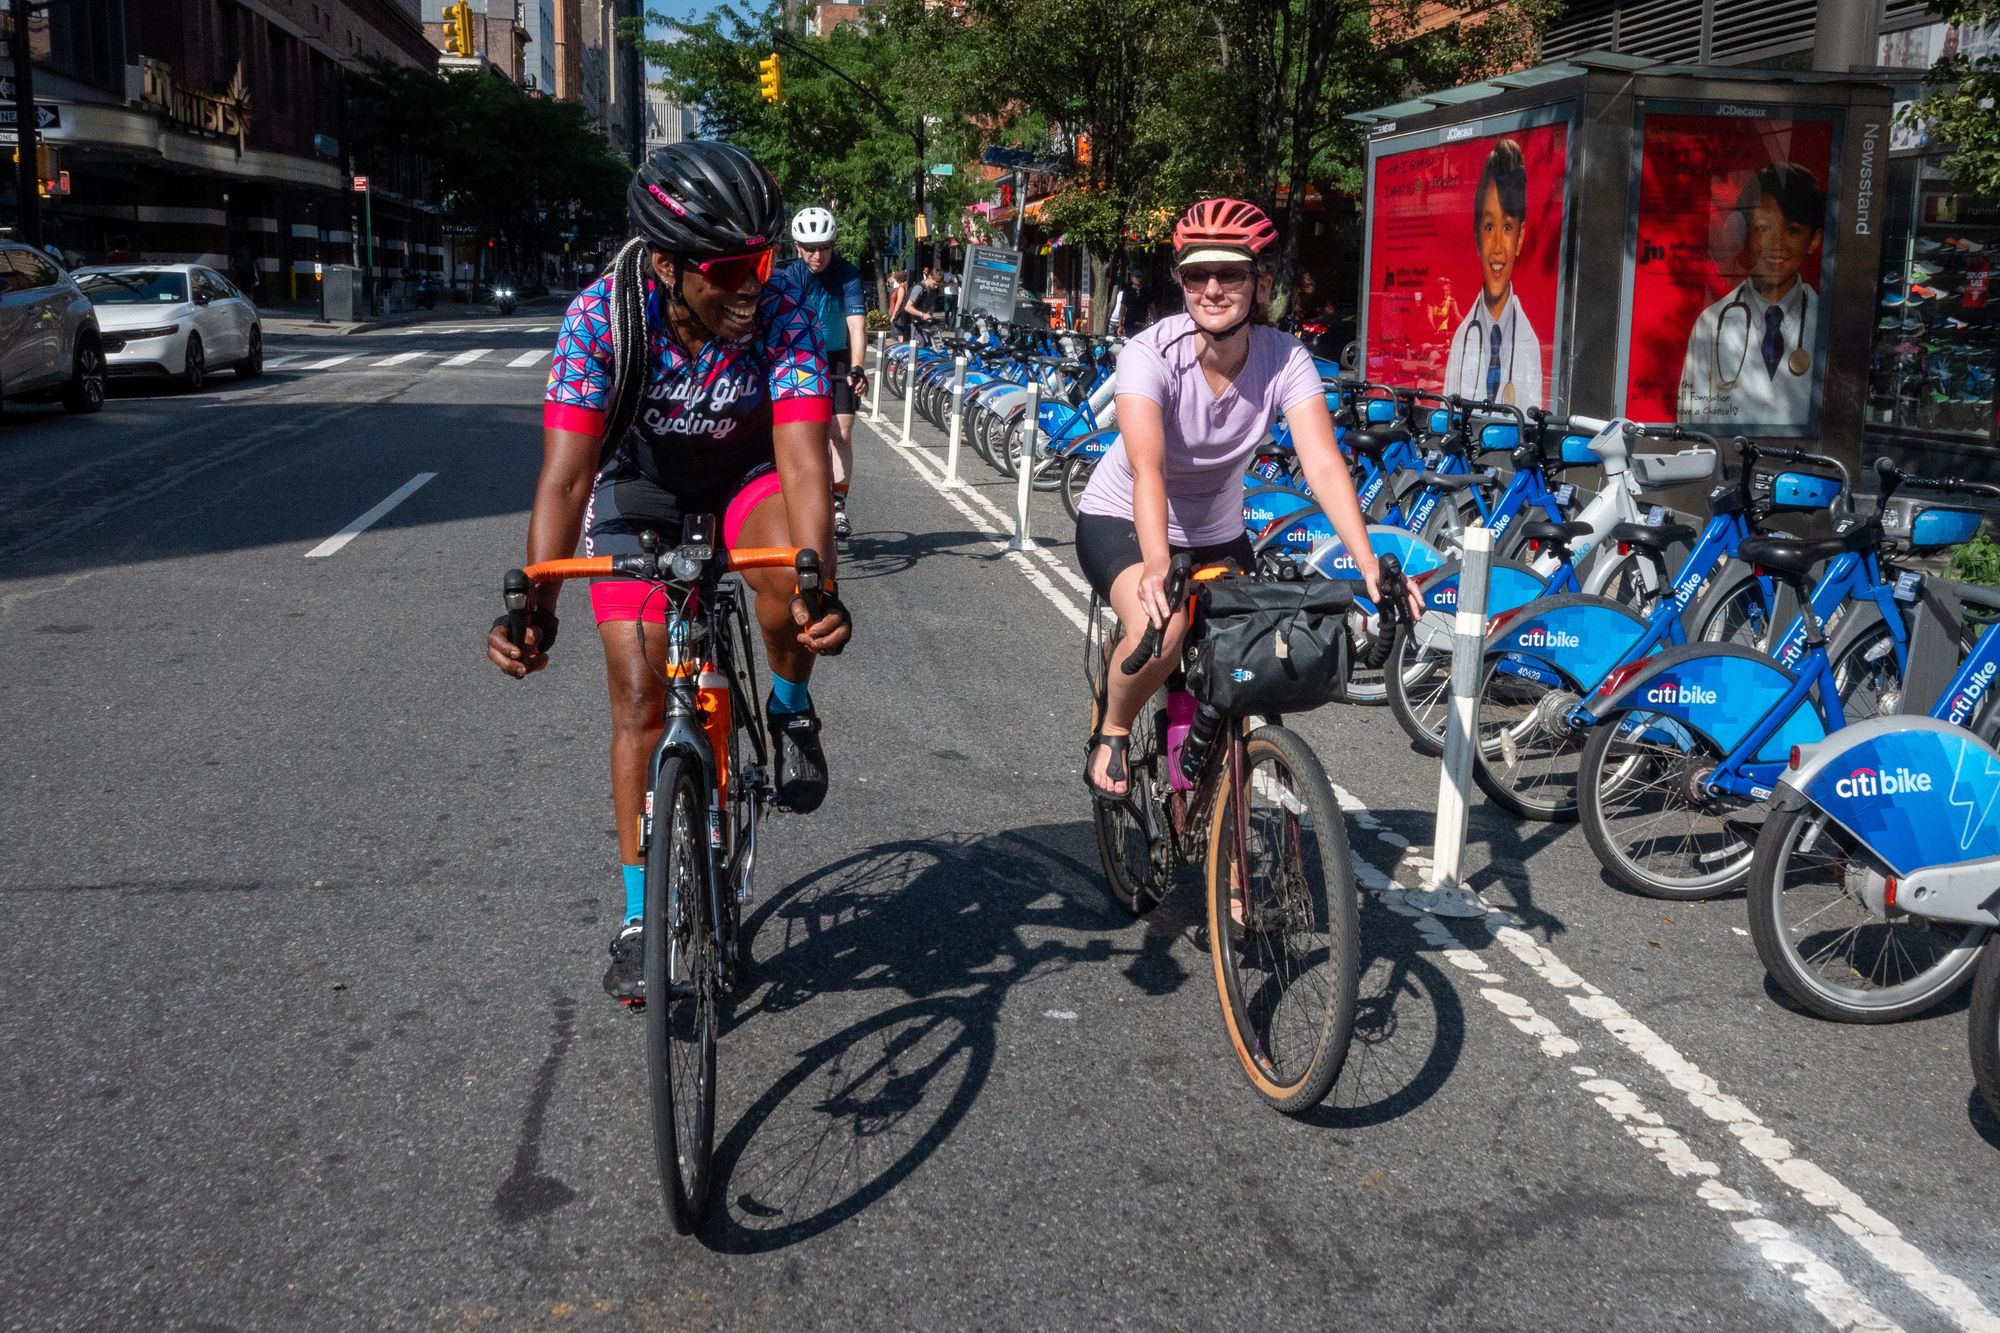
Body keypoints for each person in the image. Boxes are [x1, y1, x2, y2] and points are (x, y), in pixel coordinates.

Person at [485, 141, 852, 1003]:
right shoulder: (600, 318)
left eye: (760, 260)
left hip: (748, 473)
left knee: (782, 588)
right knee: (636, 687)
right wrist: (536, 609)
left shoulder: (786, 303)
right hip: (642, 487)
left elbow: (804, 466)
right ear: (666, 266)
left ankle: (791, 703)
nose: (751, 284)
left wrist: (819, 589)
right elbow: (568, 478)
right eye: (728, 268)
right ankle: (642, 915)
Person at [1073, 198, 1420, 815]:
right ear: (1179, 282)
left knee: (1252, 665)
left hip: (1217, 530)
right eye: (1195, 276)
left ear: (1260, 284)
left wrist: (1368, 562)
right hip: (1124, 519)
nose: (1212, 289)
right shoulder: (1149, 355)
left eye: (1230, 274)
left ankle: (1232, 874)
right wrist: (1157, 563)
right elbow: (1147, 467)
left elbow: (1321, 464)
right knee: (1165, 629)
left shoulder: (1283, 358)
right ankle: (1115, 728)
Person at [1677, 163, 1825, 429]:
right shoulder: (1711, 323)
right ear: (1744, 233)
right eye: (1764, 228)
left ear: (1814, 240)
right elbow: (1691, 421)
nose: (1777, 244)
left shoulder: (1829, 323)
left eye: (1792, 230)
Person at [781, 206, 868, 541]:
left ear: (833, 244)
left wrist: (858, 365)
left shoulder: (847, 275)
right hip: (800, 356)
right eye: (810, 248)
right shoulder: (789, 275)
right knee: (801, 432)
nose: (817, 256)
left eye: (824, 247)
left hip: (838, 357)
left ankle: (839, 504)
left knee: (841, 432)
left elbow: (856, 325)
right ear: (797, 246)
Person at [1440, 139, 1543, 408]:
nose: (1497, 247)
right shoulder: (1463, 335)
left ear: (1520, 237)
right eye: (1489, 227)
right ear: (1476, 236)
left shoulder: (1529, 342)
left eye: (1507, 227)